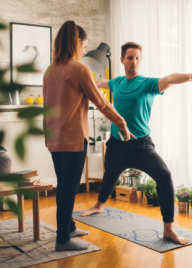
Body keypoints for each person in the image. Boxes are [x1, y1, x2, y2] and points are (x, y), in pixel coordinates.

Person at [81, 42, 192, 245]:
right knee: (109, 176)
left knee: (164, 176)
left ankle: (168, 229)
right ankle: (99, 205)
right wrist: (85, 79)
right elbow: (99, 83)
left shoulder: (147, 84)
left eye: (137, 58)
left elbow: (169, 78)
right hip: (117, 144)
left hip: (141, 146)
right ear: (122, 60)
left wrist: (189, 76)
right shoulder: (117, 83)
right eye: (129, 58)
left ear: (140, 60)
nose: (133, 62)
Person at [43, 22, 135, 252]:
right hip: (73, 140)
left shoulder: (49, 70)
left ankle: (69, 228)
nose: (85, 50)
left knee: (63, 185)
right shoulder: (79, 69)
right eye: (84, 44)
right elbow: (101, 103)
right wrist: (121, 122)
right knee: (69, 189)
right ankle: (63, 240)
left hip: (54, 139)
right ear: (76, 42)